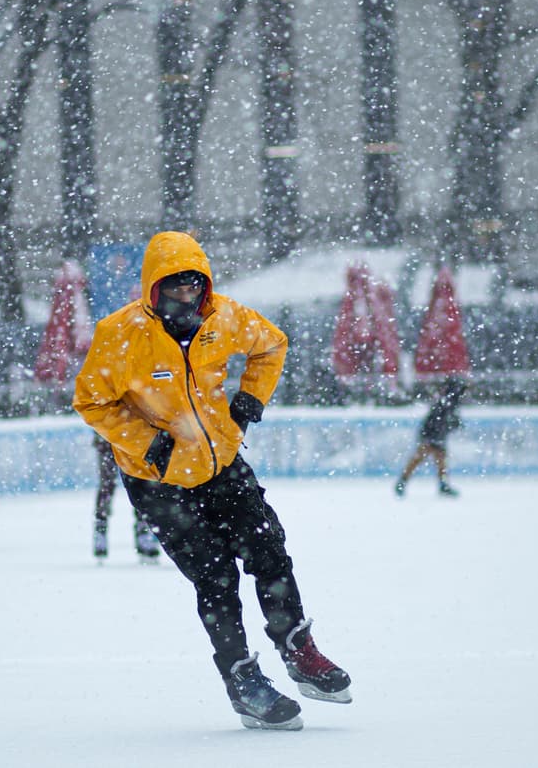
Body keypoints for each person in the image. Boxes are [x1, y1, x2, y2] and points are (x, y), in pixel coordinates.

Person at [73, 231, 351, 731]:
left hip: (222, 462)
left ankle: (298, 648)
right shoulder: (120, 334)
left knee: (270, 550)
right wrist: (147, 442)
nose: (186, 297)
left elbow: (272, 345)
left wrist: (249, 401)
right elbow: (91, 401)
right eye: (173, 287)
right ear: (152, 289)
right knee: (215, 577)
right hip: (159, 482)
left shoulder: (226, 317)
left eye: (193, 287)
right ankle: (242, 680)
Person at [394, 375, 467, 498]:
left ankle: (404, 481)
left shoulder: (447, 401)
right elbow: (441, 420)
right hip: (432, 435)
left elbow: (443, 420)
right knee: (425, 459)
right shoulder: (448, 402)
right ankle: (404, 481)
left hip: (434, 434)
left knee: (432, 460)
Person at [91, 435, 161, 562]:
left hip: (131, 438)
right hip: (110, 436)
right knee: (107, 485)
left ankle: (143, 530)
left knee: (140, 483)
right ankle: (101, 530)